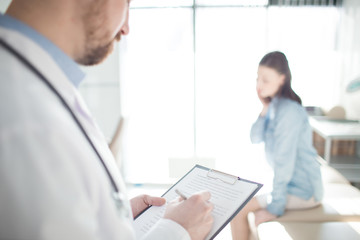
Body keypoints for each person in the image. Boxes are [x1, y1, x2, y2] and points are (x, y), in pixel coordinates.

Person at [0, 0, 213, 239]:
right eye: (127, 3)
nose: (126, 28)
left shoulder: (30, 80)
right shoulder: (26, 119)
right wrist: (176, 231)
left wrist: (113, 217)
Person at [230, 51, 323, 240]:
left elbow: (284, 163)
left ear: (281, 79)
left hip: (304, 191)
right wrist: (264, 108)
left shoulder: (289, 112)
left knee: (237, 209)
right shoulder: (274, 106)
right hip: (290, 186)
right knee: (239, 201)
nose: (258, 85)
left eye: (265, 80)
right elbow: (254, 137)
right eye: (257, 78)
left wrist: (275, 208)